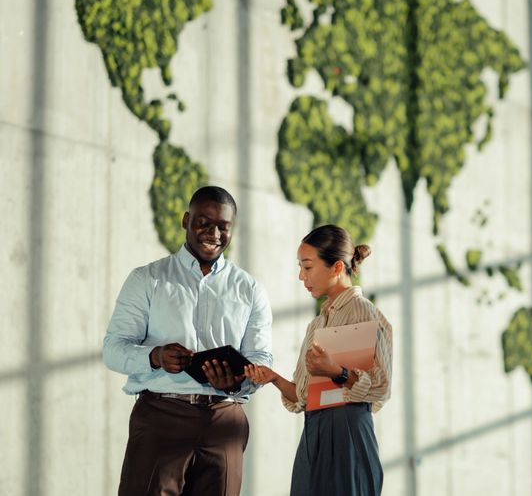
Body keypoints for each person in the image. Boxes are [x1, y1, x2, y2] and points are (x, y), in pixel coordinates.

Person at [102, 185, 273, 496]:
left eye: (223, 226)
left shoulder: (250, 289)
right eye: (203, 222)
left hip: (226, 421)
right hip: (161, 417)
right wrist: (155, 357)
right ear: (185, 219)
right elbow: (113, 350)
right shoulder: (147, 279)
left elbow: (262, 358)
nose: (214, 233)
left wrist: (237, 380)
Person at [245, 224, 392, 496]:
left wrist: (336, 371)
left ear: (337, 268)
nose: (301, 276)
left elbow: (382, 388)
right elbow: (303, 397)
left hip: (348, 436)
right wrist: (273, 378)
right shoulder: (316, 325)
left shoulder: (365, 312)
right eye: (300, 267)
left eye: (308, 267)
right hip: (314, 434)